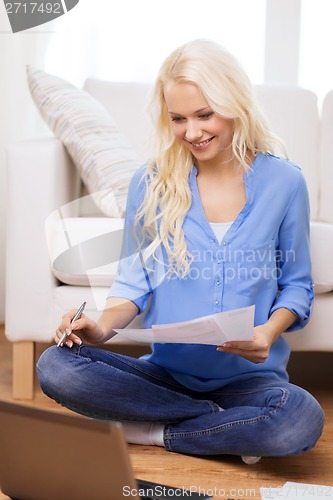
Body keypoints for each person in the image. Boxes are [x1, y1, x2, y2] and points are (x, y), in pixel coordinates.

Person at [37, 39, 324, 464]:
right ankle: (229, 426)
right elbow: (133, 282)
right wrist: (99, 328)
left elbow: (297, 288)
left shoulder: (284, 182)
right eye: (178, 118)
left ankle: (152, 431)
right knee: (53, 366)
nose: (192, 132)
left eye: (205, 115)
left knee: (299, 418)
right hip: (164, 377)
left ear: (235, 104)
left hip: (252, 382)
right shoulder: (150, 182)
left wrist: (267, 333)